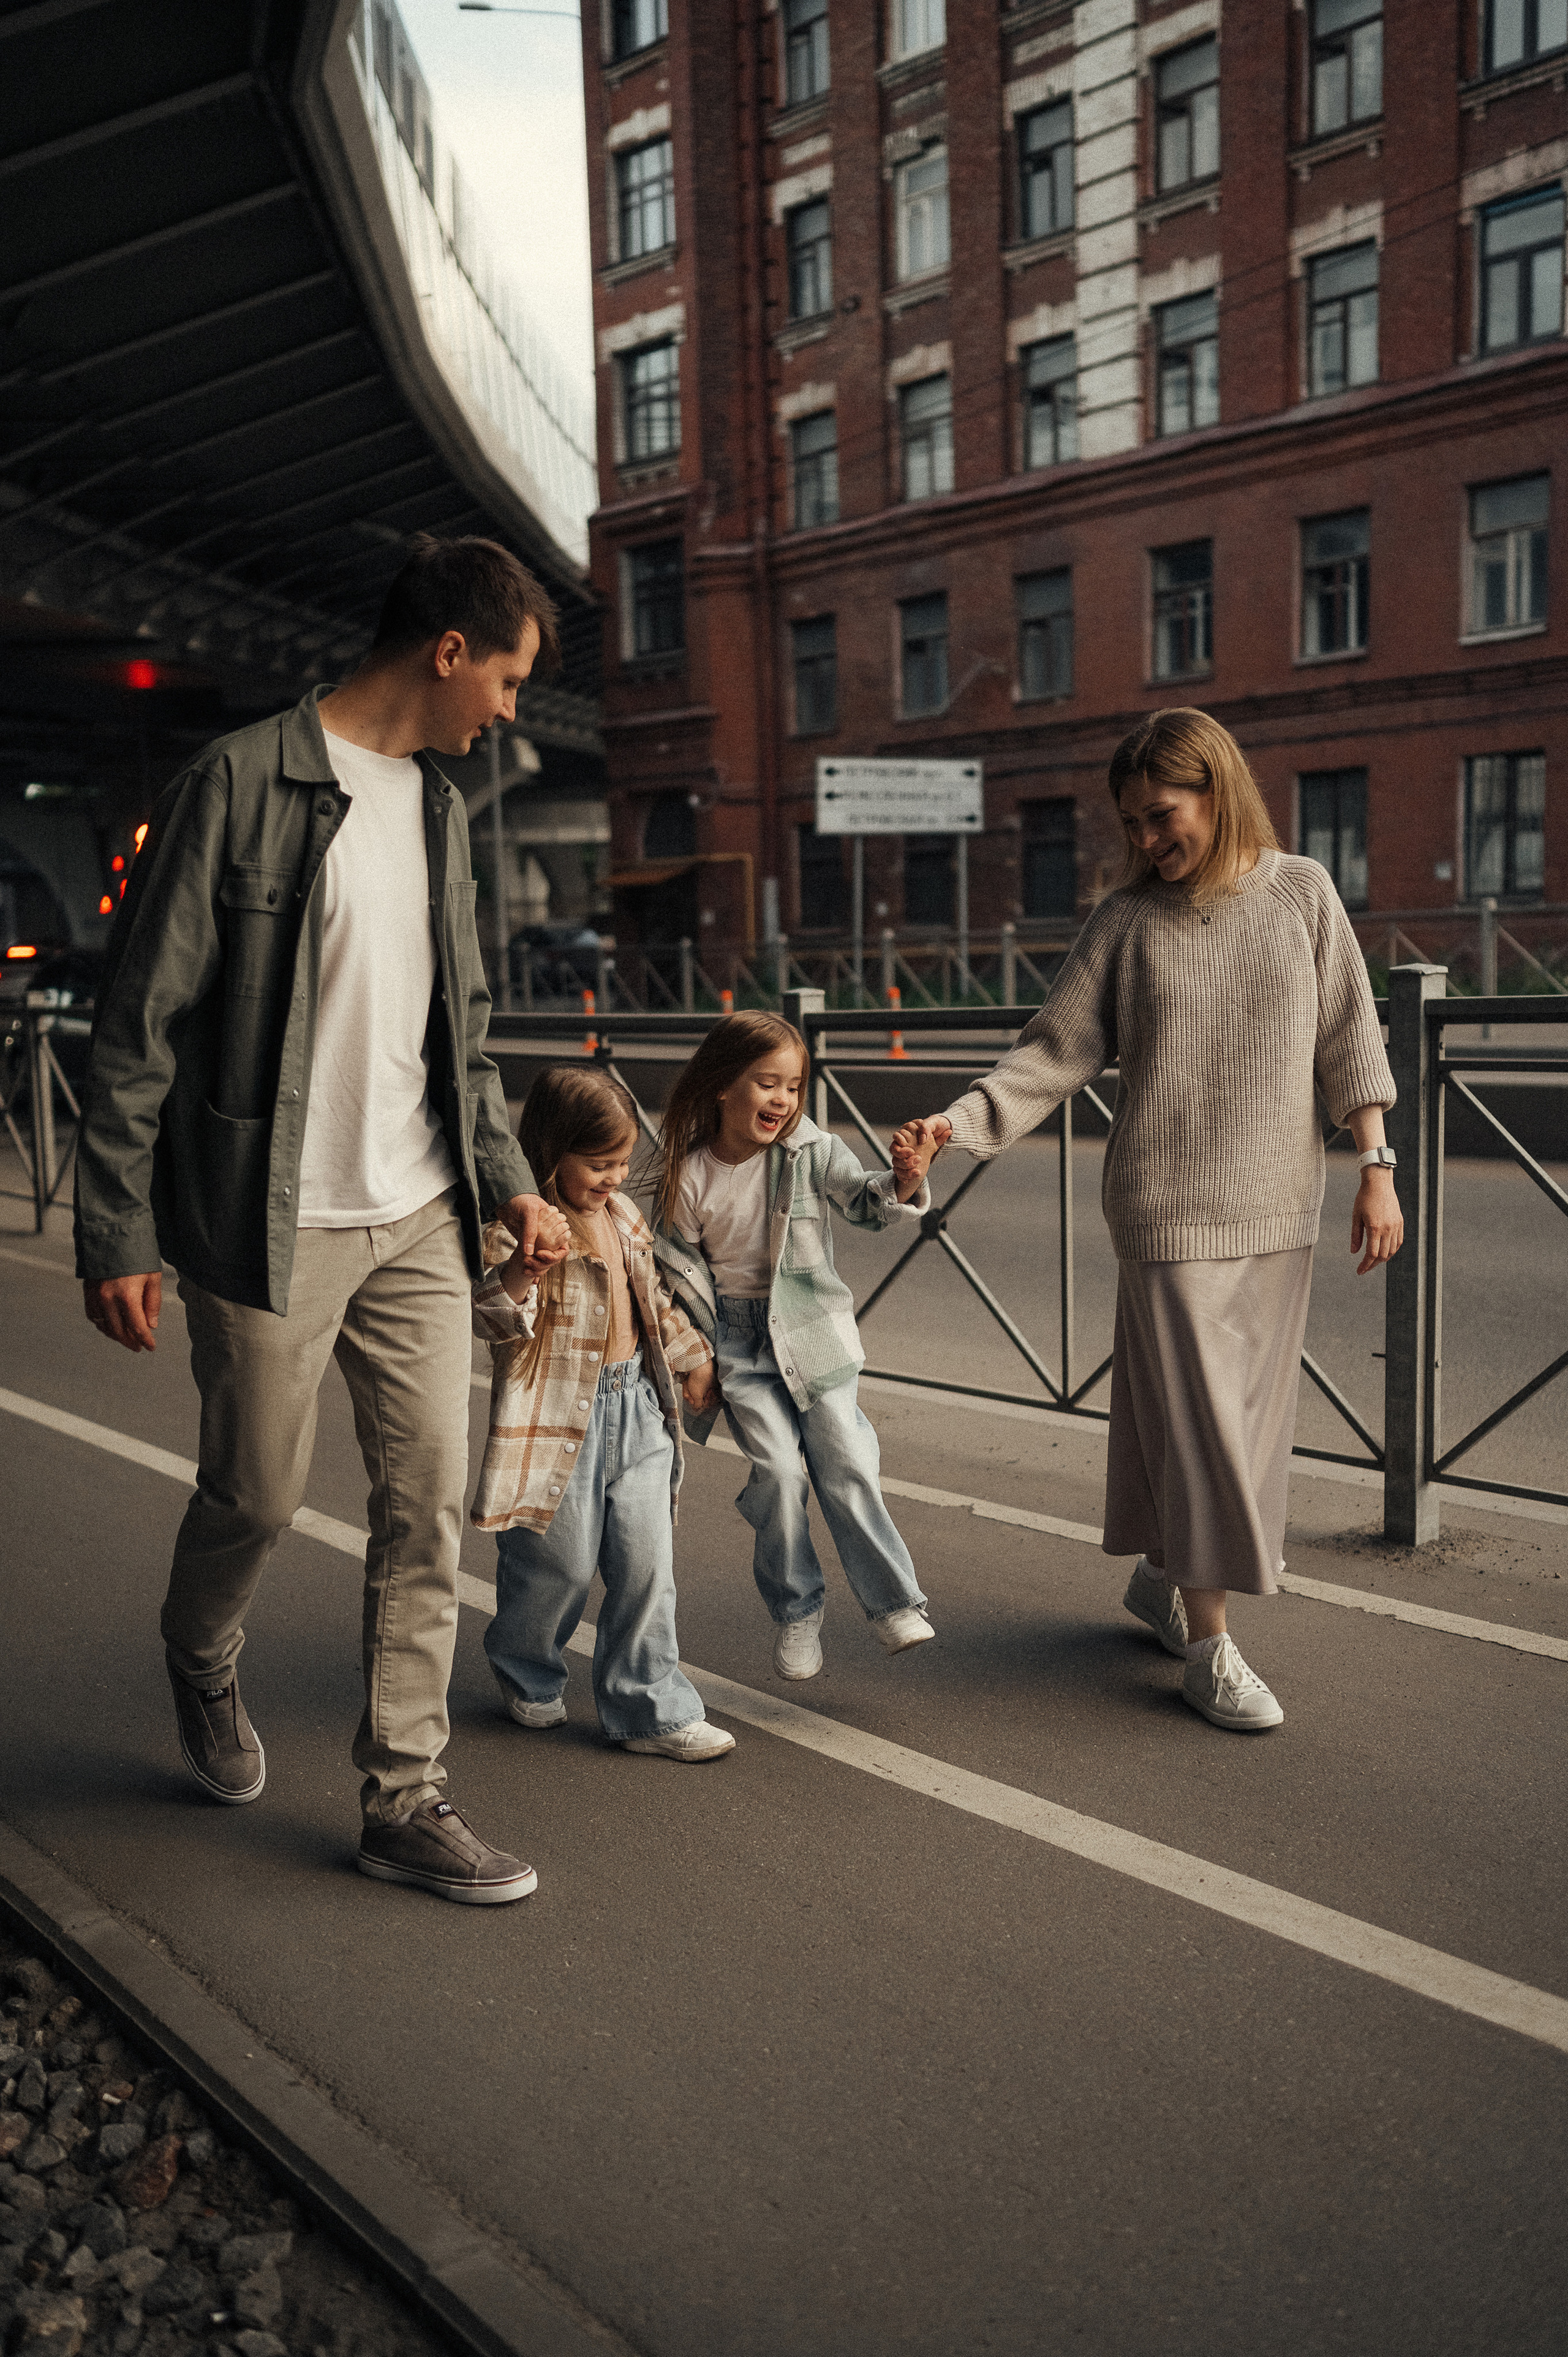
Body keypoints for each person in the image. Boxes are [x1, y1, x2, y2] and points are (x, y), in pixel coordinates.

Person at [74, 534, 573, 1905]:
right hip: (262, 1218)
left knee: (427, 1511)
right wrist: (115, 1229)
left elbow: (458, 1042)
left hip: (418, 1216)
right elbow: (137, 1030)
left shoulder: (438, 814)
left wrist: (510, 1180)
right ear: (450, 652)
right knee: (258, 1495)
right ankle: (200, 1654)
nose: (512, 714)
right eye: (512, 683)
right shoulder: (235, 785)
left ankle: (404, 1797)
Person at [892, 707, 1401, 1732]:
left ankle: (1167, 1580)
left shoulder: (1301, 892)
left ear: (1215, 789)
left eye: (1161, 816)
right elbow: (1053, 1051)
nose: (1147, 841)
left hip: (1277, 1207)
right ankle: (1211, 1646)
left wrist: (1376, 1166)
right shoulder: (1125, 923)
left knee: (1237, 1430)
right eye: (1132, 824)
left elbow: (1349, 1031)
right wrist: (953, 1120)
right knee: (1211, 1430)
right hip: (1165, 1211)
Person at [648, 1011, 937, 1682]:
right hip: (741, 1347)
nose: (783, 1100)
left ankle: (893, 1602)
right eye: (766, 1083)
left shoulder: (811, 1151)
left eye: (794, 1087)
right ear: (722, 1085)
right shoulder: (687, 1176)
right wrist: (694, 1358)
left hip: (813, 1332)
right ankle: (797, 1609)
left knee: (847, 1462)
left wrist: (904, 1178)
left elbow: (868, 1206)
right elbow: (669, 1278)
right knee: (779, 1476)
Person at [470, 1065, 735, 1761]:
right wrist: (525, 1269)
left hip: (638, 1409)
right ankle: (526, 1666)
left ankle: (650, 1705)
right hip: (560, 1423)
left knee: (648, 1564)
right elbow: (490, 1316)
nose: (614, 1176)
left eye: (622, 1161)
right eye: (597, 1163)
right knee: (556, 1565)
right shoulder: (519, 1227)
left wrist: (692, 1357)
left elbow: (651, 1303)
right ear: (551, 1152)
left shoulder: (624, 1219)